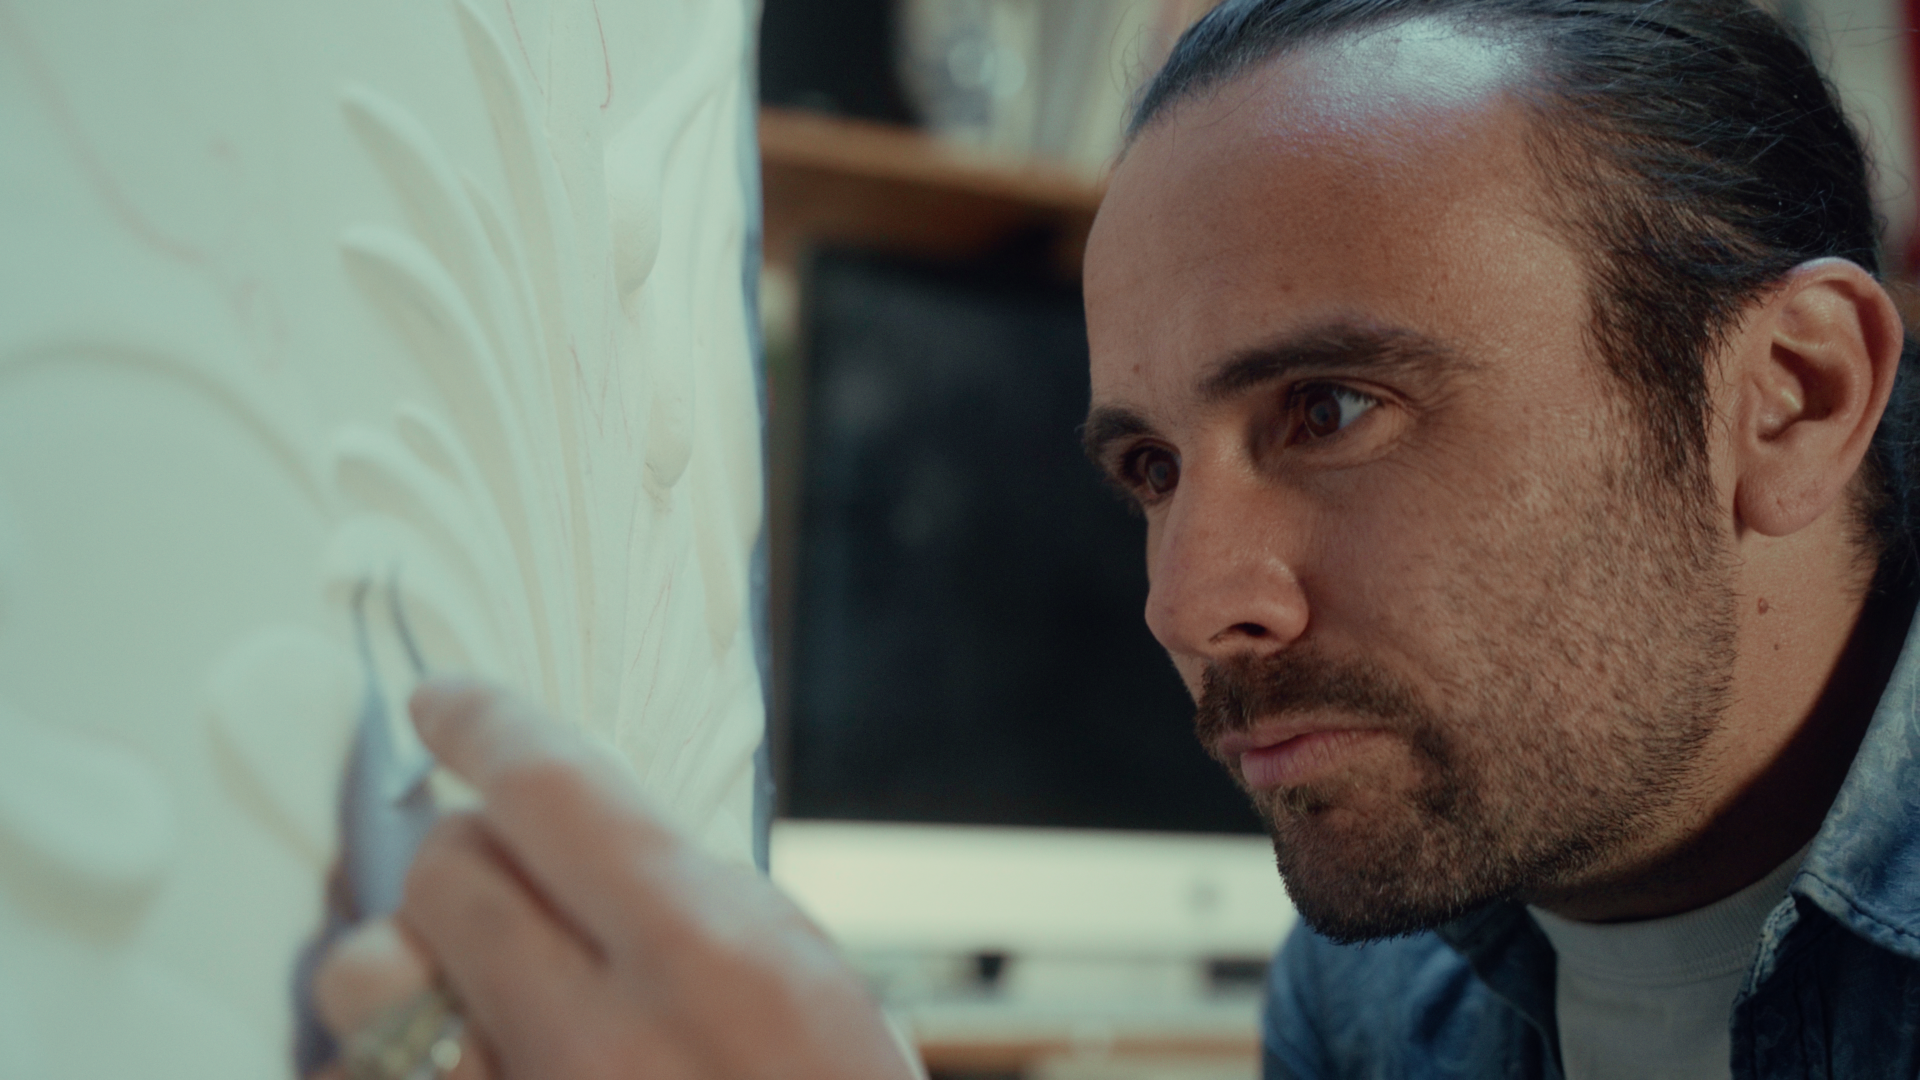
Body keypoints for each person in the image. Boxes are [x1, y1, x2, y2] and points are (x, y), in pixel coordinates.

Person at [313, 0, 1920, 1076]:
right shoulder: (1366, 983)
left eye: (1330, 408)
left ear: (1790, 398)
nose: (1188, 600)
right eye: (1150, 467)